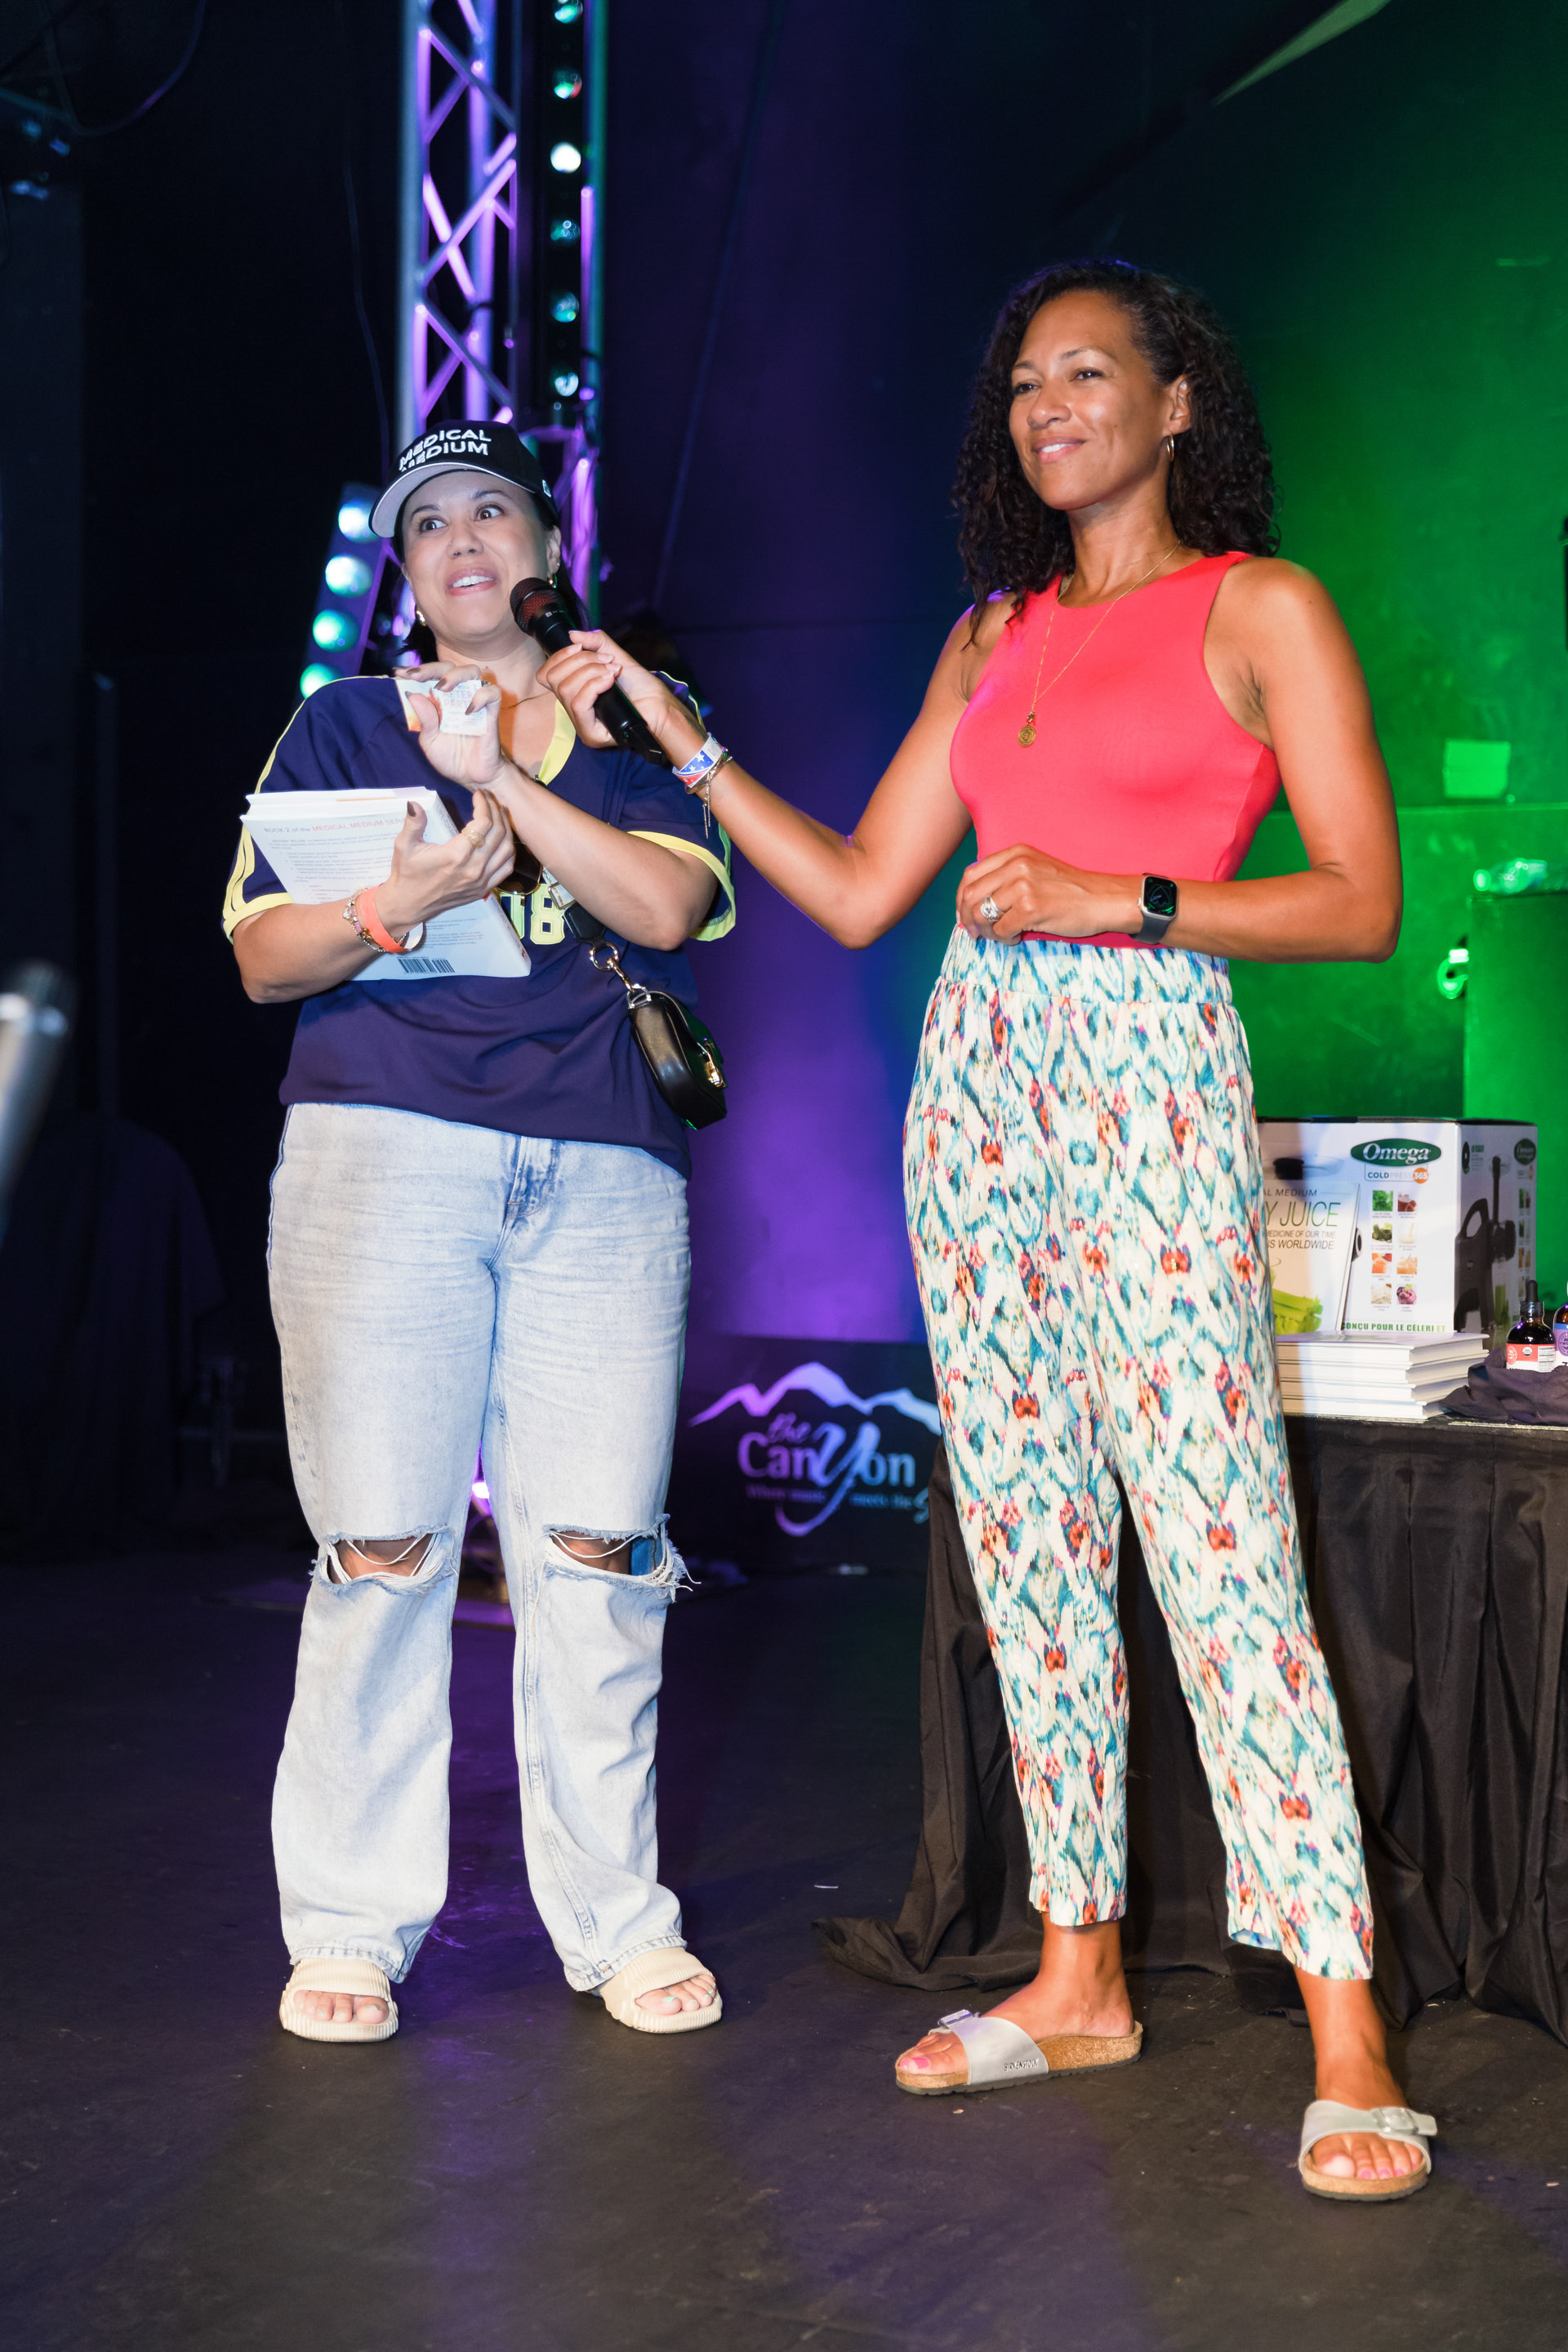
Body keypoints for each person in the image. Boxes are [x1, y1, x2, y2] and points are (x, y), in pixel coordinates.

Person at [537, 261, 1437, 2200]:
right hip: (977, 1079)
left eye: (1089, 373)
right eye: (1026, 382)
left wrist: (1132, 897)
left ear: (1179, 402)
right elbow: (867, 887)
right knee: (1028, 1529)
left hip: (1148, 1054)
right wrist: (681, 740)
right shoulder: (992, 633)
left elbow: (1362, 898)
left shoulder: (1260, 608)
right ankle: (1079, 1971)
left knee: (1217, 1535)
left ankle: (1349, 2028)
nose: (1049, 406)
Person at [225, 421, 733, 2045]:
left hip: (602, 1173)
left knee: (599, 1552)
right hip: (381, 1157)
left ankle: (617, 1920)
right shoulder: (342, 720)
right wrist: (418, 895)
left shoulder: (628, 712)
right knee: (381, 1550)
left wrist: (504, 778)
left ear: (543, 545)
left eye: (489, 511)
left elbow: (666, 908)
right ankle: (349, 1926)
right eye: (426, 521)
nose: (457, 539)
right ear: (403, 569)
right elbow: (264, 959)